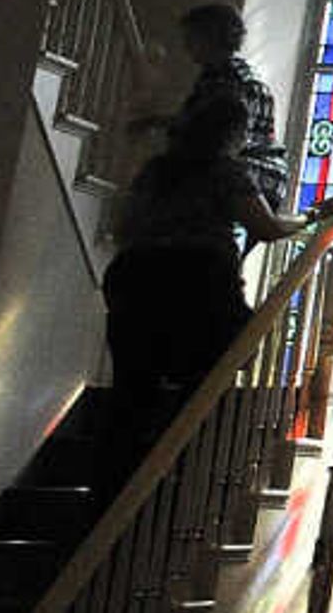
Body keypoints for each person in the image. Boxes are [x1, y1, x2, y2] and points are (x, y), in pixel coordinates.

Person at [102, 96, 321, 438]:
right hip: (198, 279)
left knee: (134, 387)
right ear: (233, 134)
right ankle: (176, 462)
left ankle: (118, 479)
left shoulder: (158, 169)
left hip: (133, 276)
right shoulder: (225, 172)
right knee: (213, 369)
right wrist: (311, 217)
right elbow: (267, 228)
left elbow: (123, 226)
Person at [169, 2, 294, 223]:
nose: (186, 45)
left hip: (257, 176)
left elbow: (228, 140)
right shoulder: (213, 77)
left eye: (192, 37)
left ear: (212, 37)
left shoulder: (234, 81)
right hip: (241, 170)